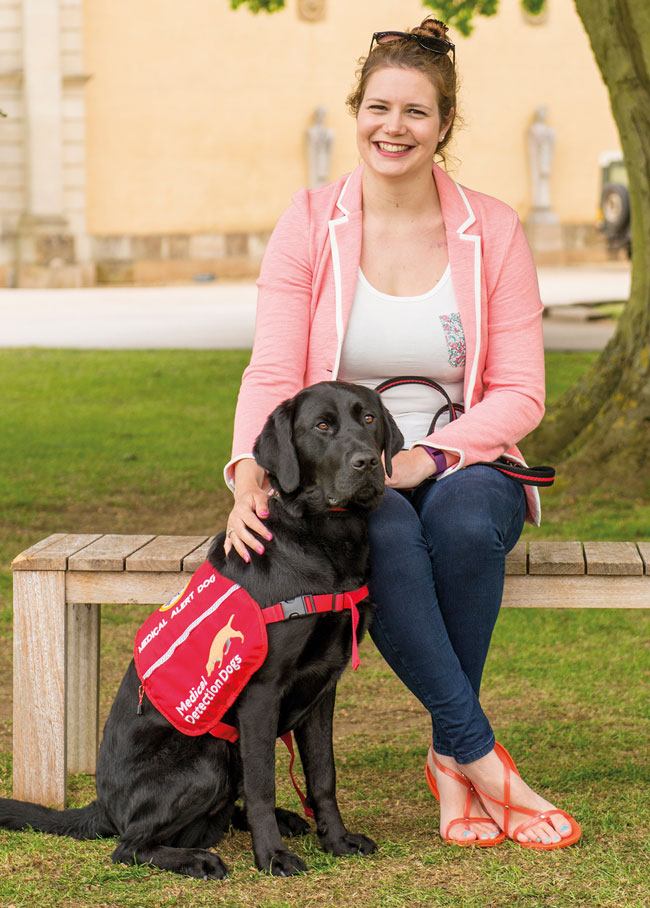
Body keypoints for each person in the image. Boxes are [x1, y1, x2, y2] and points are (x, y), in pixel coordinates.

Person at [222, 18, 581, 849]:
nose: (395, 127)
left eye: (417, 112)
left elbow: (522, 392)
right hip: (345, 478)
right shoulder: (310, 223)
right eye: (379, 107)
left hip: (466, 455)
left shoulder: (492, 230)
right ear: (356, 112)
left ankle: (449, 753)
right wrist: (247, 467)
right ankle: (479, 761)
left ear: (444, 124)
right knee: (379, 532)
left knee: (460, 521)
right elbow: (272, 372)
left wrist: (428, 457)